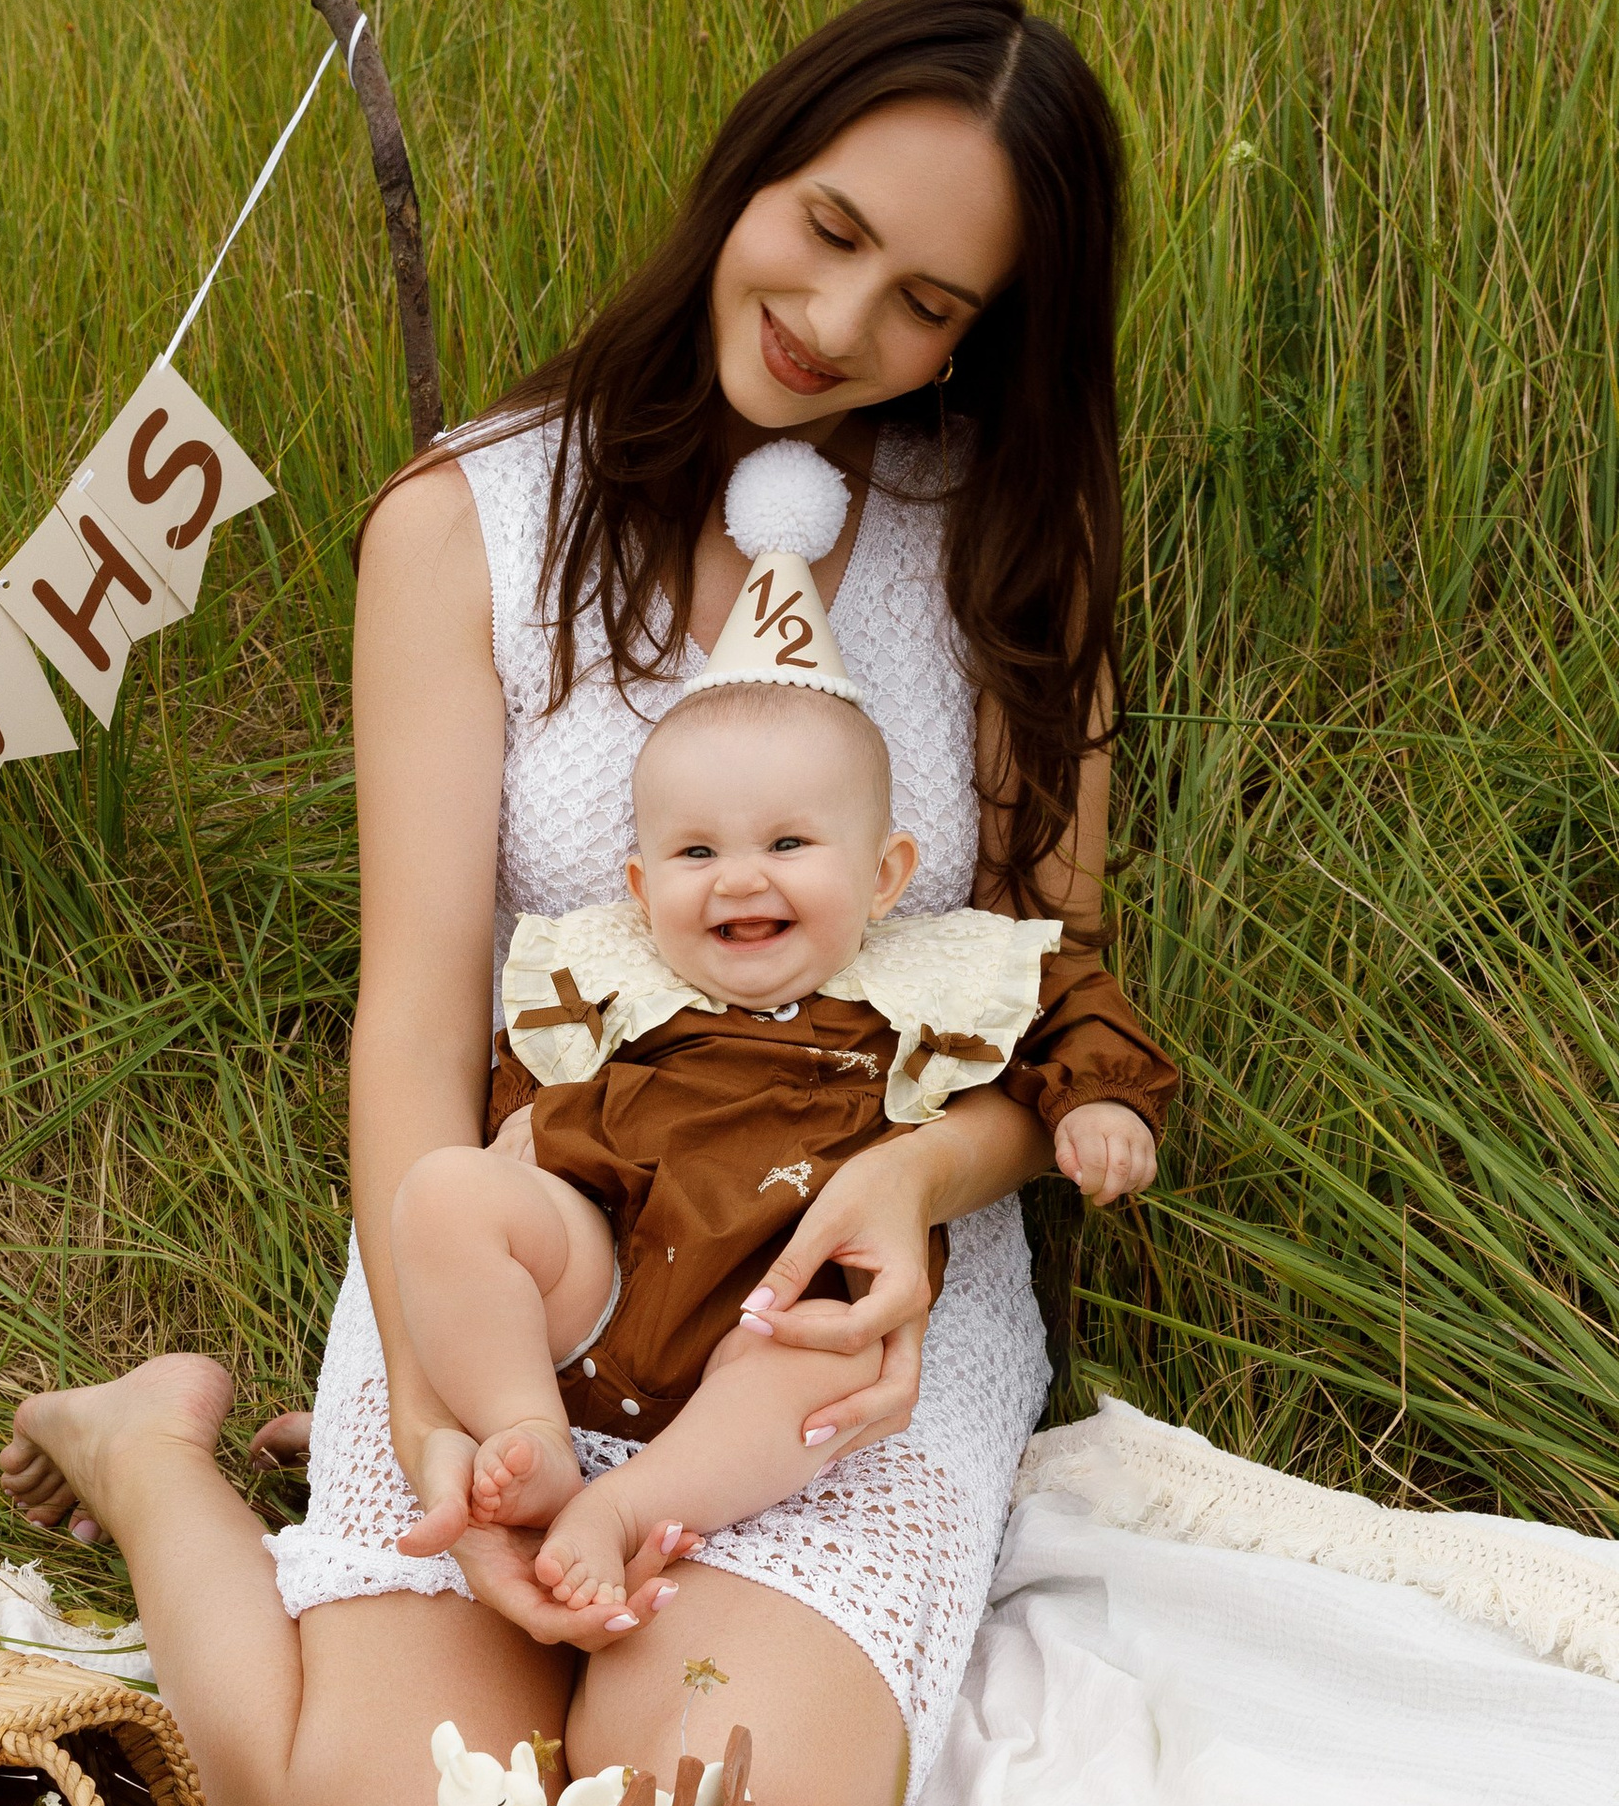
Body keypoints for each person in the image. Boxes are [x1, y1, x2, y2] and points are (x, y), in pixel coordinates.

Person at [2, 0, 1138, 1806]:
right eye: (827, 228)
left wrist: (917, 1181)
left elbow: (1052, 996)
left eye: (925, 304)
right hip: (524, 1274)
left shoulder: (996, 543)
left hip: (823, 1317)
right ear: (747, 172)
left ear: (983, 334)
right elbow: (416, 1019)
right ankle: (151, 1448)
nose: (838, 321)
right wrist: (436, 1410)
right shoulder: (467, 523)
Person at [391, 664, 1175, 1628]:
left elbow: (1069, 1001)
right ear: (642, 886)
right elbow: (533, 1048)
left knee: (840, 1365)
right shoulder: (616, 967)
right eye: (695, 851)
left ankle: (625, 1507)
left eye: (788, 843)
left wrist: (1100, 1103)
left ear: (884, 876)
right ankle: (526, 1425)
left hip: (776, 1301)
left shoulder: (935, 973)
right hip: (604, 1268)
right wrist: (516, 1119)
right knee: (443, 1192)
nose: (739, 877)